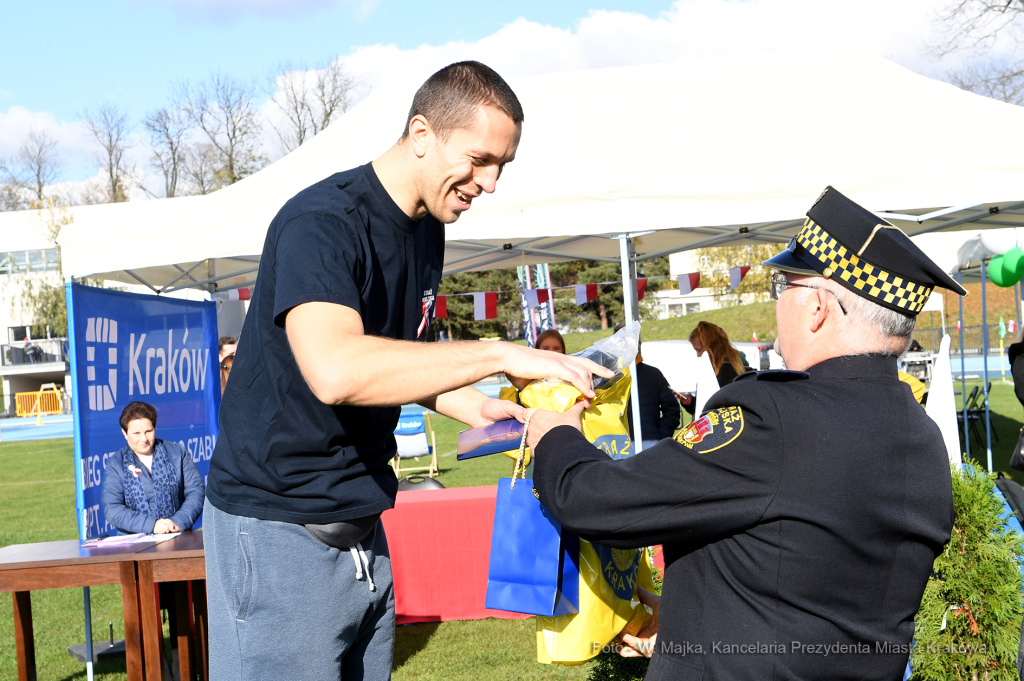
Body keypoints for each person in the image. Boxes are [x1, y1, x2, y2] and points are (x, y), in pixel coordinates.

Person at [203, 61, 611, 681]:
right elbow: (338, 369)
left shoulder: (425, 231)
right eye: (478, 160)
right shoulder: (322, 224)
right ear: (422, 133)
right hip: (281, 534)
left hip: (363, 531)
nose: (490, 182)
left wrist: (488, 408)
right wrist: (498, 352)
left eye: (502, 165)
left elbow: (398, 357)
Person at [525, 186, 967, 680]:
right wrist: (690, 629)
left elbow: (592, 500)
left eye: (784, 286)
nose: (778, 303)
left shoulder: (773, 416)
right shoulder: (924, 440)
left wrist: (556, 430)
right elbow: (818, 596)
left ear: (819, 306)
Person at [101, 401, 205, 536]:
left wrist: (177, 522)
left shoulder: (177, 453)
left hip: (178, 537)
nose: (143, 438)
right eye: (136, 433)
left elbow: (196, 492)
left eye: (148, 431)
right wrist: (152, 525)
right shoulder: (116, 464)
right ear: (125, 433)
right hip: (135, 544)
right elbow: (112, 509)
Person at [613, 323, 681, 448]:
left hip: (650, 445)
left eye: (629, 340)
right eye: (620, 341)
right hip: (616, 447)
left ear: (637, 345)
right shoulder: (608, 377)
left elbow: (672, 409)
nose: (625, 345)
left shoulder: (653, 375)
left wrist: (659, 438)